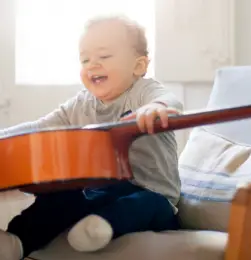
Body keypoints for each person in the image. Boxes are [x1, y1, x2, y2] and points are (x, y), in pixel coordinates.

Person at [0, 15, 183, 260]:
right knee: (60, 196)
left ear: (138, 66)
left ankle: (99, 227)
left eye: (104, 56)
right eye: (85, 59)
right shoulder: (81, 103)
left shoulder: (143, 91)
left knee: (143, 204)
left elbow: (171, 101)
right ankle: (17, 241)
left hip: (153, 195)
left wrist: (155, 107)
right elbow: (39, 127)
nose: (92, 64)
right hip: (102, 191)